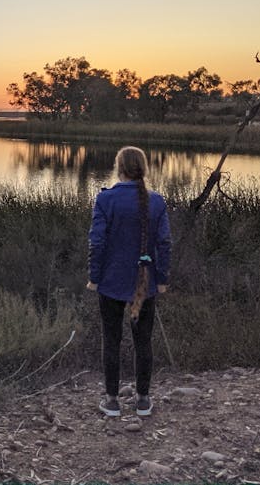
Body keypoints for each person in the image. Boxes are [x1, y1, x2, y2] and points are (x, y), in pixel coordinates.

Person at [87, 146, 171, 418]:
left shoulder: (106, 200)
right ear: (142, 169)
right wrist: (162, 279)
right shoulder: (156, 201)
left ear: (119, 168)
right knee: (143, 341)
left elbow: (97, 242)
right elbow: (164, 244)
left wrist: (94, 277)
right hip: (144, 282)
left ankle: (112, 401)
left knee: (111, 340)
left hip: (111, 281)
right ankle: (143, 400)